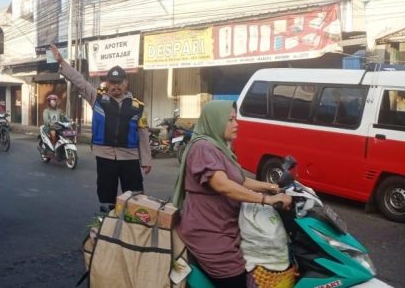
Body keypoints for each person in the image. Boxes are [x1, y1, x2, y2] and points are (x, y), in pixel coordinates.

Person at [172, 101, 292, 287]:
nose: (236, 124)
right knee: (234, 278)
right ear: (215, 121)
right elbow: (223, 184)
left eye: (236, 119)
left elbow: (240, 180)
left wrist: (272, 187)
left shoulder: (219, 147)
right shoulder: (203, 147)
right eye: (230, 120)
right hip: (208, 232)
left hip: (224, 226)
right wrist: (266, 200)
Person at [51, 45, 152, 212]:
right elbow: (80, 82)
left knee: (135, 198)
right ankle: (107, 227)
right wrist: (62, 62)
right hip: (105, 157)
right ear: (107, 83)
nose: (116, 86)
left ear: (126, 83)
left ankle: (132, 231)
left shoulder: (138, 106)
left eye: (119, 82)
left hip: (130, 158)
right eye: (112, 82)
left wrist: (146, 161)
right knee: (106, 198)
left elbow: (143, 135)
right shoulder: (97, 98)